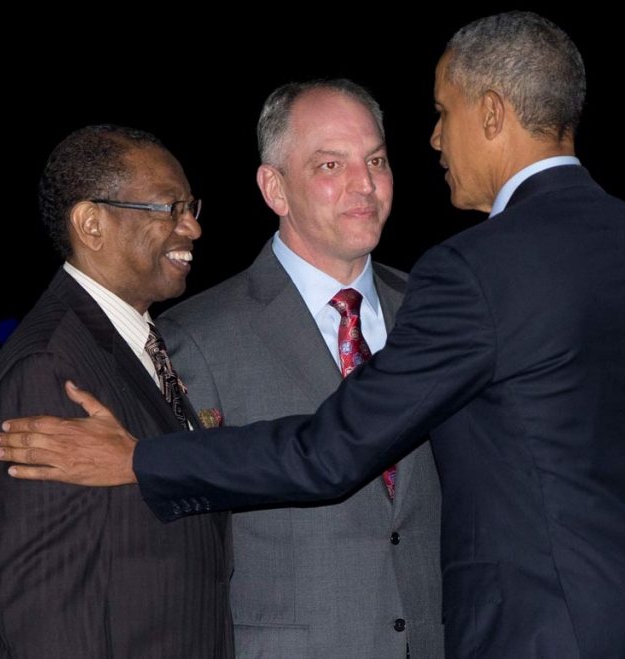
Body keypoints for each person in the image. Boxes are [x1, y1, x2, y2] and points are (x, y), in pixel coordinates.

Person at [0, 13, 625, 658]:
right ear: (273, 186)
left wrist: (143, 460)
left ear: (493, 114)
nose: (435, 138)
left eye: (442, 112)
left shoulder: (473, 271)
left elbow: (331, 450)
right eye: (330, 165)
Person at [157, 80, 444, 658]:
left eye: (377, 160)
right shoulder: (197, 337)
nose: (364, 185)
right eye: (331, 164)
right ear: (275, 188)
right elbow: (179, 554)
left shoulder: (440, 312)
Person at [0, 125, 232, 658]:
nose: (192, 228)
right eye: (169, 207)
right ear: (92, 224)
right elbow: (48, 612)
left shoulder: (135, 345)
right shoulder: (50, 370)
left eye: (191, 206)